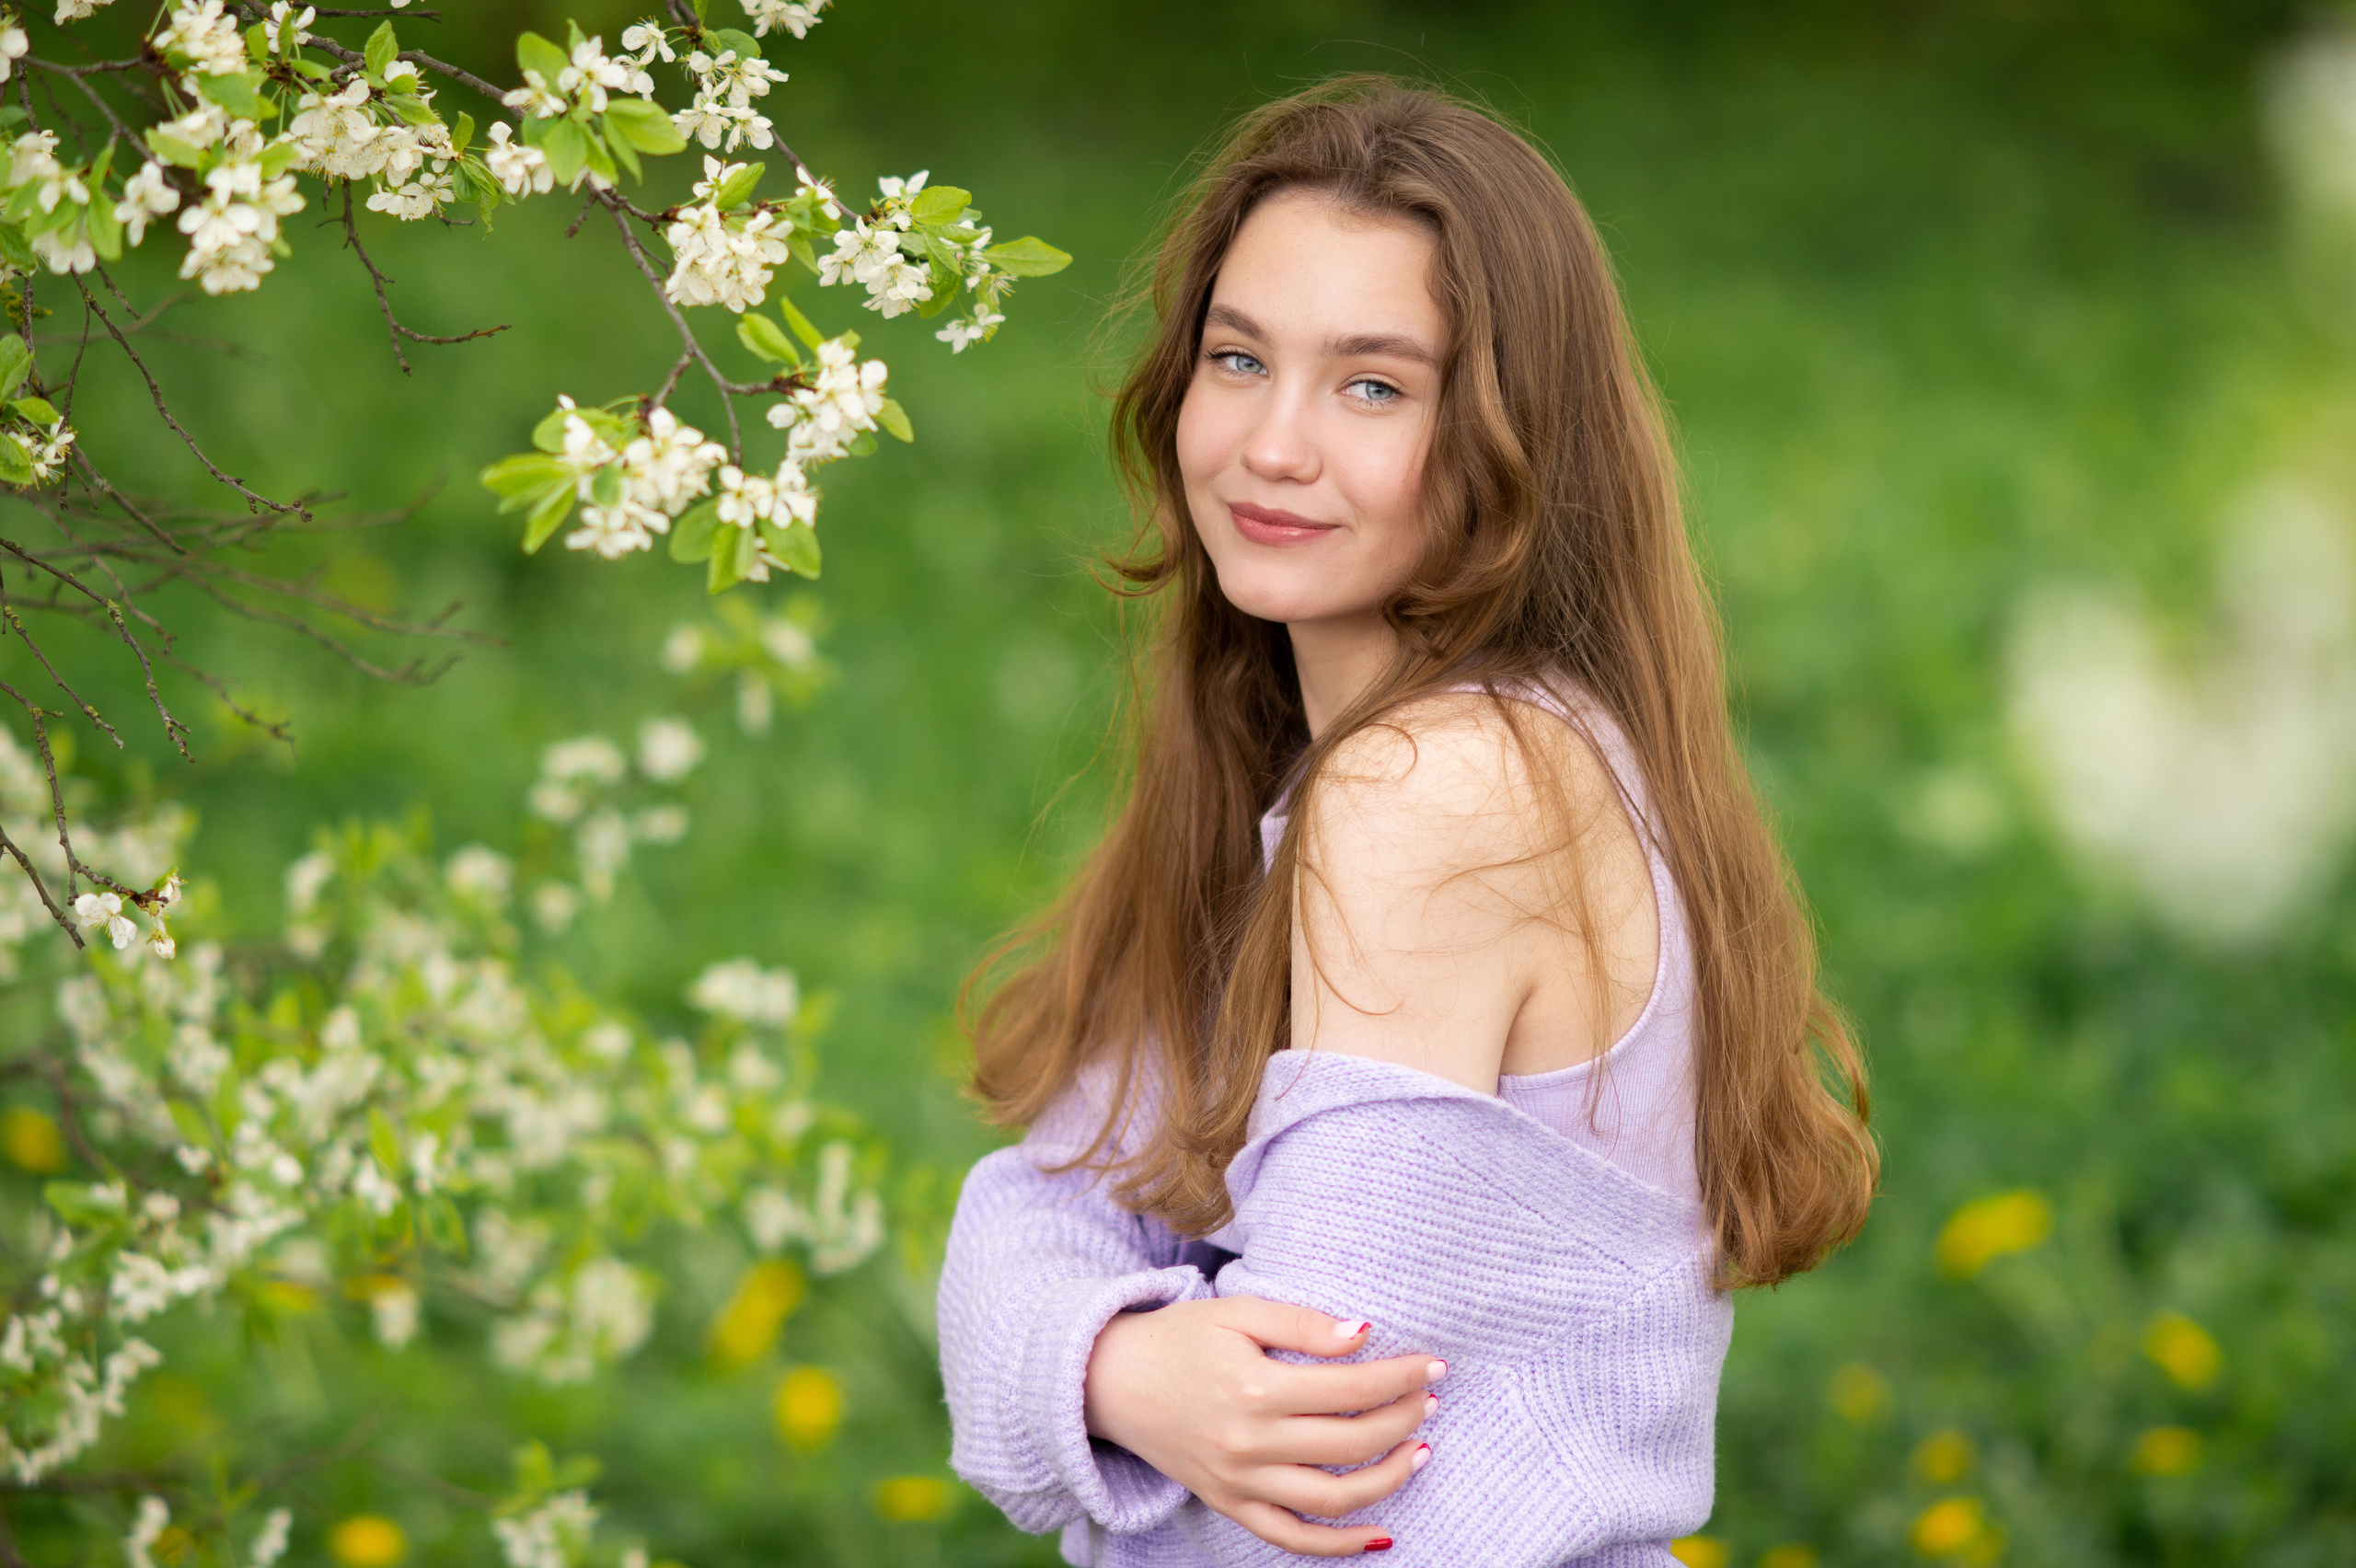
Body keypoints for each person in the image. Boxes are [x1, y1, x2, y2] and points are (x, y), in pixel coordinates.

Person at [939, 77, 1877, 1566]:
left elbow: (1307, 1480)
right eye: (1238, 360)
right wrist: (1120, 1366)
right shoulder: (1315, 758)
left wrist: (1111, 1362)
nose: (1271, 447)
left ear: (1511, 440)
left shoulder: (1435, 793)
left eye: (1372, 385)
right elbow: (1038, 1212)